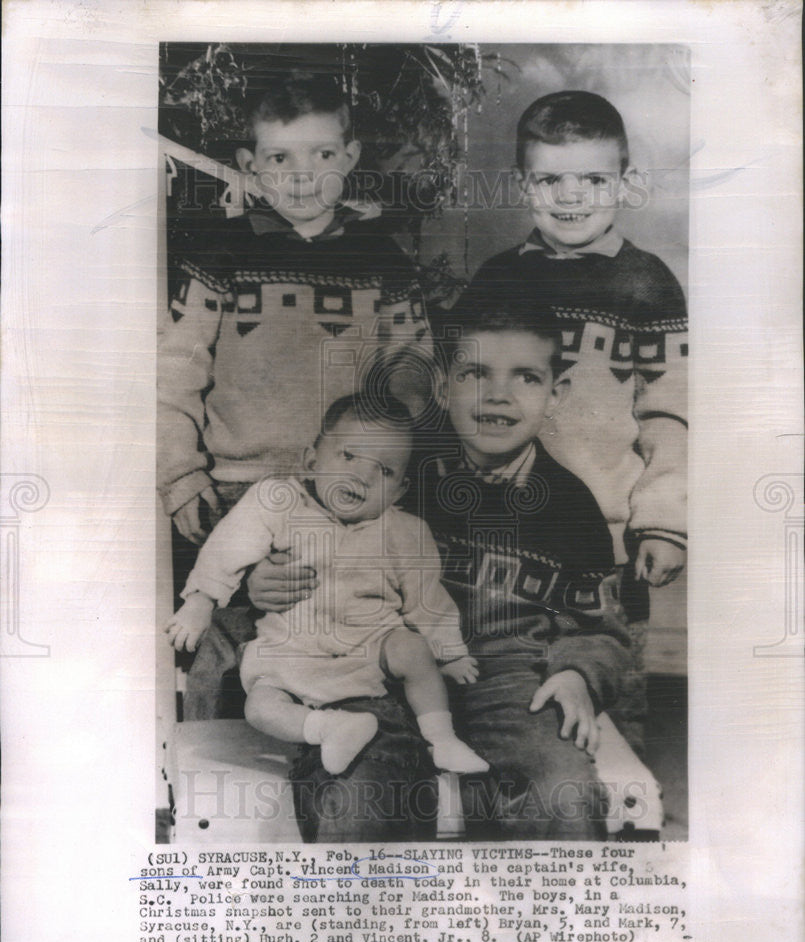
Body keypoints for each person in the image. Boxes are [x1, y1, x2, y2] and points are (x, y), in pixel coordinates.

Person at [250, 304, 632, 840]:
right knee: (360, 790)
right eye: (475, 374)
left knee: (562, 789)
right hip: (376, 669)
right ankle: (348, 920)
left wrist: (577, 674)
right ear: (444, 387)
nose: (498, 395)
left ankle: (555, 918)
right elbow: (302, 534)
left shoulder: (571, 505)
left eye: (525, 377)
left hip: (509, 679)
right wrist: (262, 584)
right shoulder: (396, 470)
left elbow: (600, 629)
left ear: (556, 395)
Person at [455, 90, 688, 747]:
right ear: (520, 185)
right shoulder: (497, 279)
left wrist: (663, 520)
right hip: (496, 541)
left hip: (608, 547)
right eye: (549, 179)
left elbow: (671, 412)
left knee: (609, 703)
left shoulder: (646, 285)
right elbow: (463, 400)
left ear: (626, 182)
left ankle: (622, 830)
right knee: (510, 694)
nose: (571, 196)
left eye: (592, 178)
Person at [158, 70, 433, 544]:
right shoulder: (220, 256)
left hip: (353, 492)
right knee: (236, 610)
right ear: (249, 164)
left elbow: (414, 375)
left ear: (349, 158)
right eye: (279, 157)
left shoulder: (384, 260)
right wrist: (181, 477)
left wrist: (384, 467)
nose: (302, 175)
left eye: (322, 155)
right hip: (237, 493)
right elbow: (173, 376)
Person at [167, 394, 488, 791]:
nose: (362, 477)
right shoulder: (279, 501)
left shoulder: (405, 531)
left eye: (384, 471)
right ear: (312, 459)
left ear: (400, 489)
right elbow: (229, 545)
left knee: (412, 650)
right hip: (291, 651)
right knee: (261, 707)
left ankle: (442, 740)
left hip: (369, 647)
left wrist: (449, 651)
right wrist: (200, 600)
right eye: (349, 456)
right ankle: (328, 728)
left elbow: (427, 597)